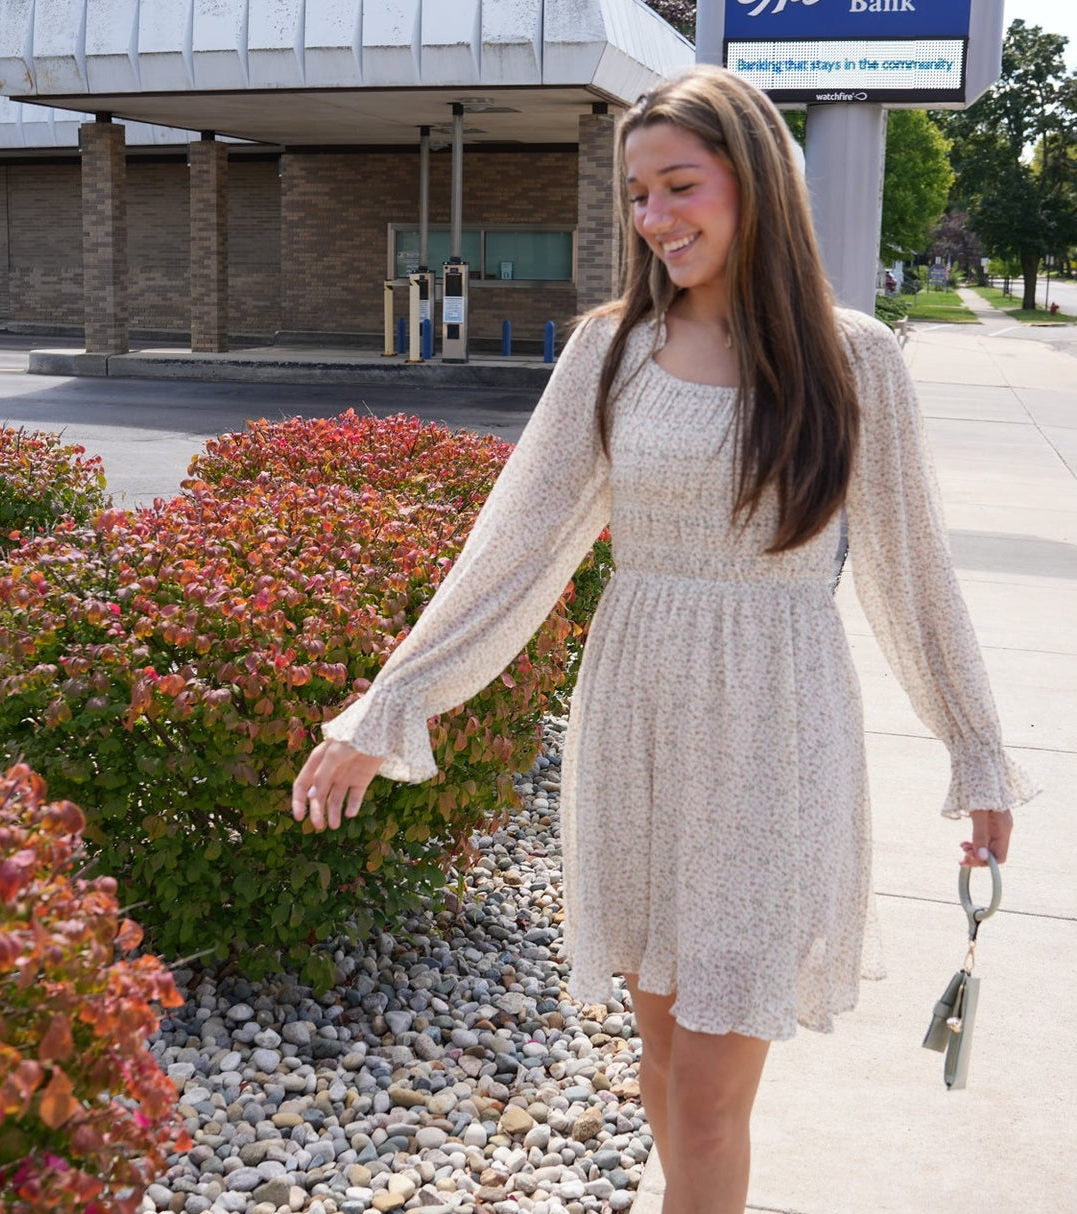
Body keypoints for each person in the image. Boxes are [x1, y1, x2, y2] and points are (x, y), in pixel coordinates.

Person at [291, 66, 1034, 1214]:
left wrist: (973, 746)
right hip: (636, 721)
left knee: (704, 1092)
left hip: (773, 737)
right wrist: (390, 703)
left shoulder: (856, 361)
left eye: (676, 186)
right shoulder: (609, 351)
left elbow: (912, 577)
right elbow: (513, 551)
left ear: (752, 184)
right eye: (636, 195)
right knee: (654, 1062)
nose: (652, 219)